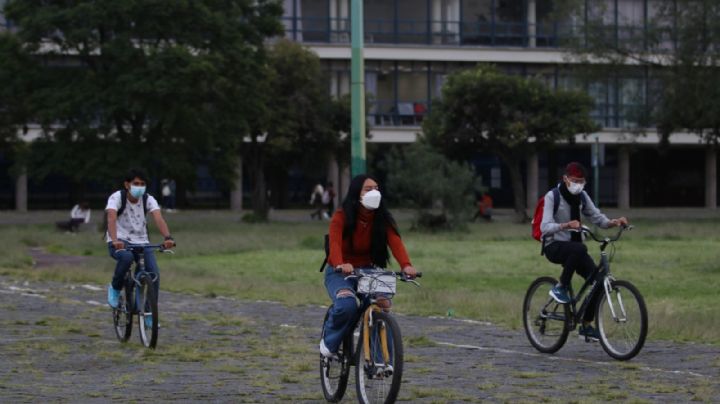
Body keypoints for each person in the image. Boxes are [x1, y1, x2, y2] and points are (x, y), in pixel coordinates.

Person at [320, 175, 417, 358]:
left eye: (376, 188)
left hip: (367, 269)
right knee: (347, 305)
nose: (374, 192)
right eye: (368, 189)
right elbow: (334, 245)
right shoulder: (341, 216)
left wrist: (406, 265)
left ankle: (380, 361)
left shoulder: (382, 218)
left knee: (381, 304)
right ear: (357, 193)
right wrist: (341, 263)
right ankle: (329, 343)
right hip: (339, 271)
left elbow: (395, 242)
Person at [540, 162, 628, 340]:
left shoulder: (582, 196)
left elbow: (597, 218)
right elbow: (545, 227)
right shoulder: (552, 196)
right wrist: (566, 225)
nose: (578, 185)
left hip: (575, 250)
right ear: (565, 179)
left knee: (600, 281)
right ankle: (560, 287)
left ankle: (586, 325)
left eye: (581, 181)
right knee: (580, 247)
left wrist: (614, 222)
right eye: (574, 181)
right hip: (554, 246)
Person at [105, 169, 175, 317]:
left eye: (142, 184)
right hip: (120, 240)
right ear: (127, 184)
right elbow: (111, 218)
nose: (139, 187)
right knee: (126, 258)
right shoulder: (116, 197)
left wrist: (168, 237)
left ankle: (150, 312)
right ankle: (115, 288)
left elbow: (158, 218)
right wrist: (115, 240)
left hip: (142, 242)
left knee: (153, 273)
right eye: (136, 183)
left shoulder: (148, 199)